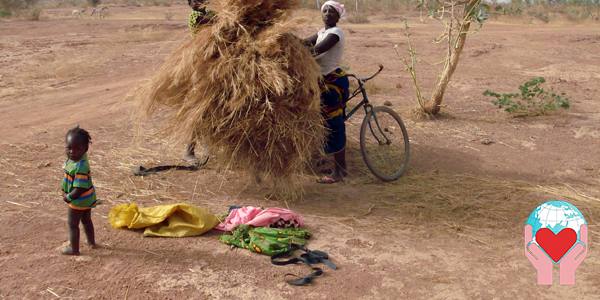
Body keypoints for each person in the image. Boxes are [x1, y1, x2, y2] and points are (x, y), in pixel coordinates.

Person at [304, 1, 349, 184]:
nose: (328, 13)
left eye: (332, 11)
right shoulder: (321, 32)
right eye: (325, 10)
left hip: (333, 83)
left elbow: (315, 50)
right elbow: (305, 42)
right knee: (319, 121)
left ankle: (340, 171)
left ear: (338, 16)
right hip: (320, 82)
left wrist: (298, 54)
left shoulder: (335, 34)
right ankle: (325, 157)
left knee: (334, 123)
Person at [184, 0, 215, 166]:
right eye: (195, 0)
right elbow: (212, 22)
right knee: (200, 112)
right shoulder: (195, 17)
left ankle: (211, 149)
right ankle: (189, 151)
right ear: (190, 4)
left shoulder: (209, 14)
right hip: (202, 65)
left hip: (212, 63)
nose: (200, 2)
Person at [61, 126, 97, 255]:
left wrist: (68, 197)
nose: (72, 151)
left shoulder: (80, 166)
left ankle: (74, 249)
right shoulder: (78, 158)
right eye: (69, 147)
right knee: (87, 220)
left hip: (78, 201)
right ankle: (91, 242)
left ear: (85, 149)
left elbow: (79, 188)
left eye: (77, 148)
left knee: (72, 224)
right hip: (87, 199)